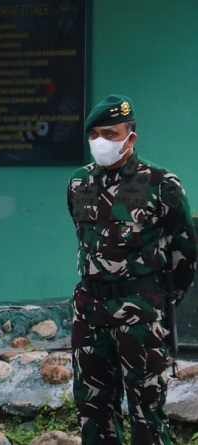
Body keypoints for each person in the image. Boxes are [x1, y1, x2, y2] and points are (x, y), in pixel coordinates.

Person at [67, 94, 197, 445]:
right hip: (89, 311)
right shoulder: (79, 183)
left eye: (110, 134)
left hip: (140, 312)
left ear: (130, 137)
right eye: (94, 134)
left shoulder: (160, 183)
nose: (101, 142)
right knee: (92, 411)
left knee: (147, 412)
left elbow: (185, 250)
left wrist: (159, 298)